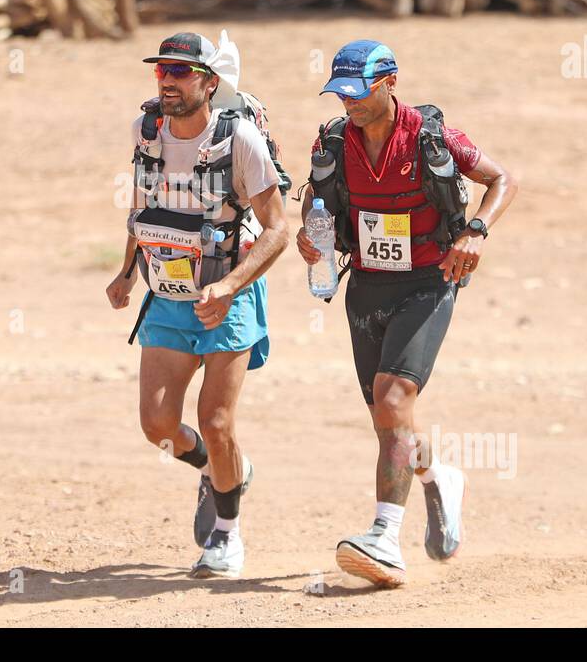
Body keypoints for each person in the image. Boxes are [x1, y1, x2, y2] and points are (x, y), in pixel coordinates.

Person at [297, 40, 518, 587]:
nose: (349, 103)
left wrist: (476, 231)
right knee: (386, 416)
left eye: (359, 93)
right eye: (341, 94)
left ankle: (384, 538)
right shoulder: (332, 139)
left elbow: (502, 180)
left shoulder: (432, 136)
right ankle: (437, 476)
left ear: (389, 82)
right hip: (366, 283)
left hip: (429, 280)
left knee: (394, 398)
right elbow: (315, 198)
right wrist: (311, 232)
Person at [107, 32, 289, 578]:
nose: (168, 79)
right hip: (167, 294)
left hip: (226, 297)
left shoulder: (241, 142)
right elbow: (144, 209)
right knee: (158, 423)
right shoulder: (145, 132)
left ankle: (227, 534)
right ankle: (224, 471)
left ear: (210, 83)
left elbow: (279, 230)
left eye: (182, 71)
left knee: (215, 419)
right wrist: (124, 273)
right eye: (162, 69)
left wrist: (231, 284)